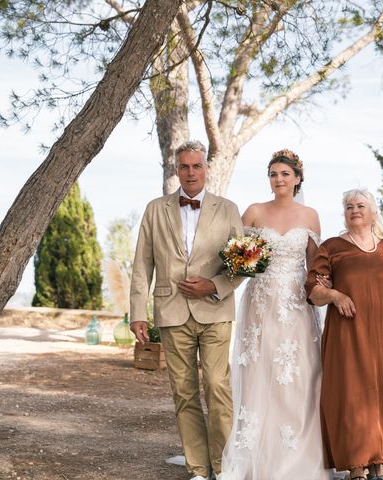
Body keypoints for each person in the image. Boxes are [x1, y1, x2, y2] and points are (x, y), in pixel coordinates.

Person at [129, 140, 245, 480]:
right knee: (184, 392)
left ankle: (224, 468)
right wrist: (138, 313)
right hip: (171, 309)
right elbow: (141, 264)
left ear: (206, 169)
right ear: (176, 169)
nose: (191, 172)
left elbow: (242, 263)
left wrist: (215, 285)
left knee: (216, 385)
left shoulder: (228, 209)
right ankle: (197, 468)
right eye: (185, 166)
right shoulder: (155, 209)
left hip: (216, 309)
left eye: (197, 166)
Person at [305, 188, 383, 480]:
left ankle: (376, 466)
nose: (354, 209)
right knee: (352, 397)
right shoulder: (333, 247)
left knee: (382, 396)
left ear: (373, 212)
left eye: (361, 205)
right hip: (348, 335)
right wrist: (336, 296)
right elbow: (312, 289)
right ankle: (356, 469)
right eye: (348, 206)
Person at [221, 149, 332, 480]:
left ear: (298, 178)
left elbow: (315, 265)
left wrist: (326, 283)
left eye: (285, 173)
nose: (279, 179)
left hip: (297, 305)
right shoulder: (254, 211)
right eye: (273, 173)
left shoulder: (310, 215)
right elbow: (236, 256)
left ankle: (299, 455)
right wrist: (242, 261)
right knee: (260, 372)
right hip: (260, 303)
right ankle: (254, 455)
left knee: (298, 377)